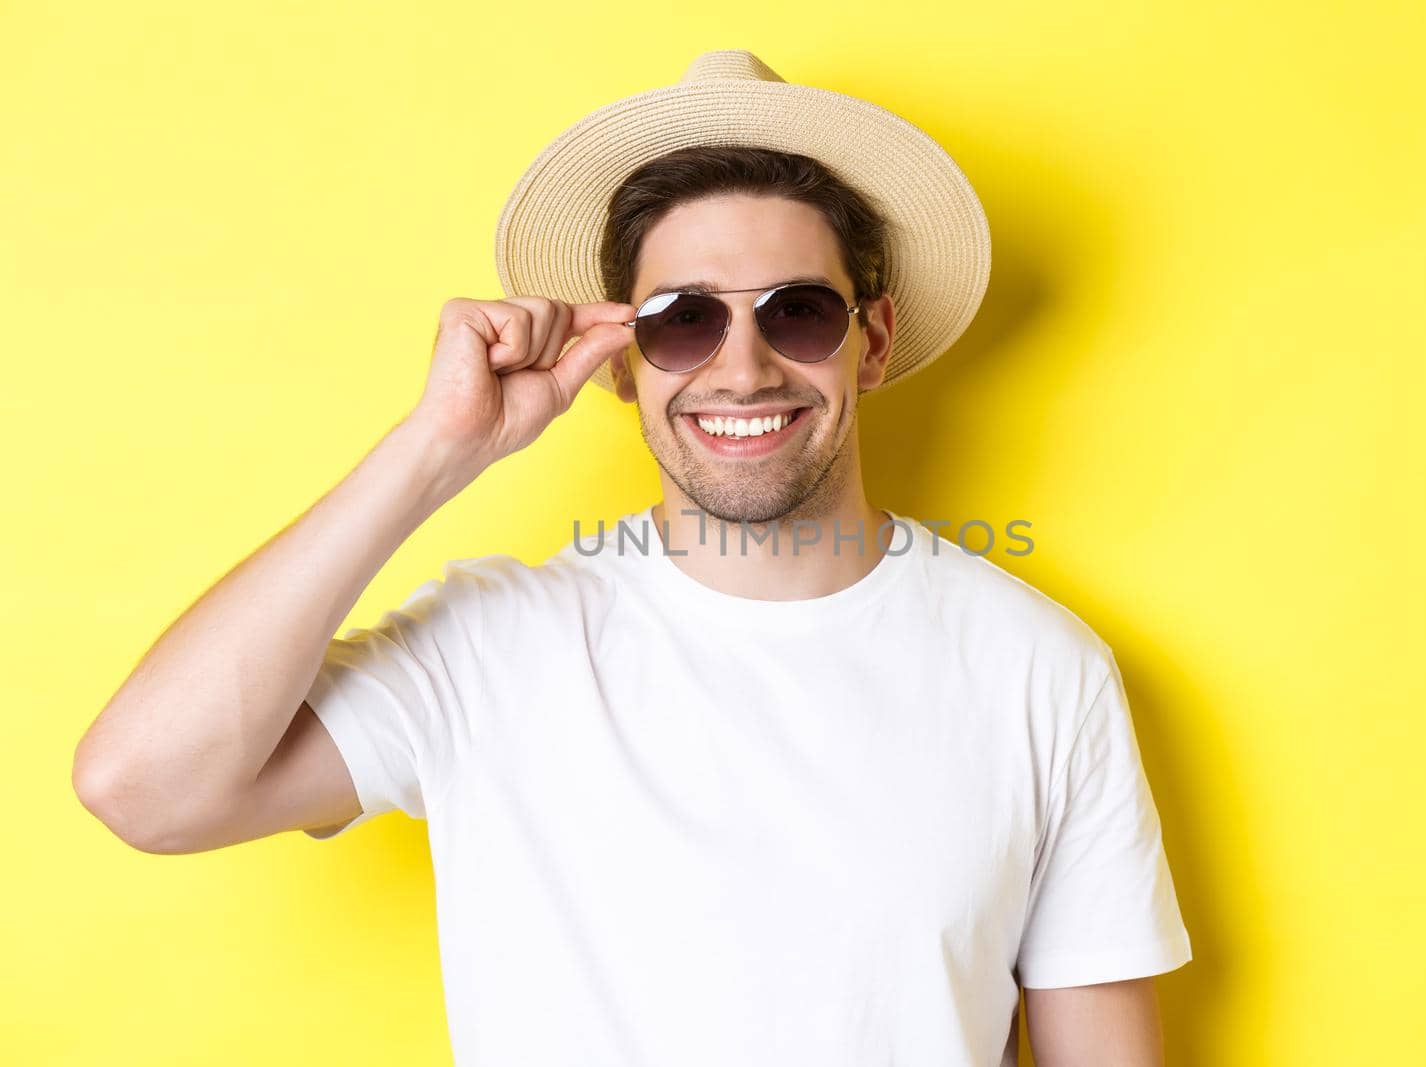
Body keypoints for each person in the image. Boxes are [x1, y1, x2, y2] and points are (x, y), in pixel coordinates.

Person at [73, 49, 1192, 1067]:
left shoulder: (1037, 667)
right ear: (621, 360)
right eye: (680, 318)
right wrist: (433, 450)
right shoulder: (490, 645)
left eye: (797, 311)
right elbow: (143, 787)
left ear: (875, 339)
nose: (743, 367)